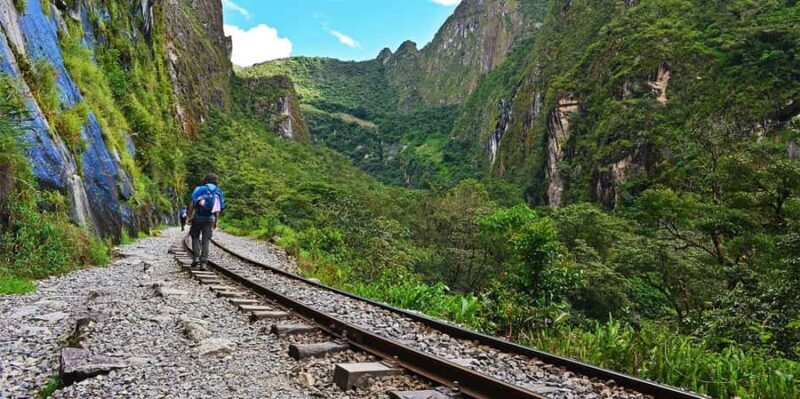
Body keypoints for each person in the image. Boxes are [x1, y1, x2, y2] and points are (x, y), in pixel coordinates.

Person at [186, 173, 224, 269]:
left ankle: (196, 258)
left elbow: (192, 203)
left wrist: (189, 216)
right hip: (210, 219)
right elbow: (217, 208)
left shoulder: (198, 189)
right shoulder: (218, 191)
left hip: (198, 218)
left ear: (205, 180)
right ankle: (203, 263)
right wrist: (216, 221)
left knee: (194, 236)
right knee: (206, 240)